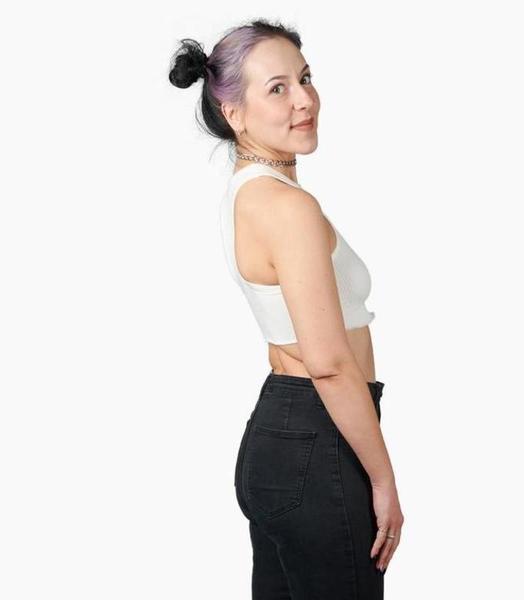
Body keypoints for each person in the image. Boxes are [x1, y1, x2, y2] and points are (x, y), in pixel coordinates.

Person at [169, 18, 404, 599]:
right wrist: (382, 479)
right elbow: (329, 364)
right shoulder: (284, 207)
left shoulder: (251, 192)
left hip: (283, 437)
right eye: (277, 88)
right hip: (320, 439)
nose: (305, 100)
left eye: (305, 78)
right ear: (234, 113)